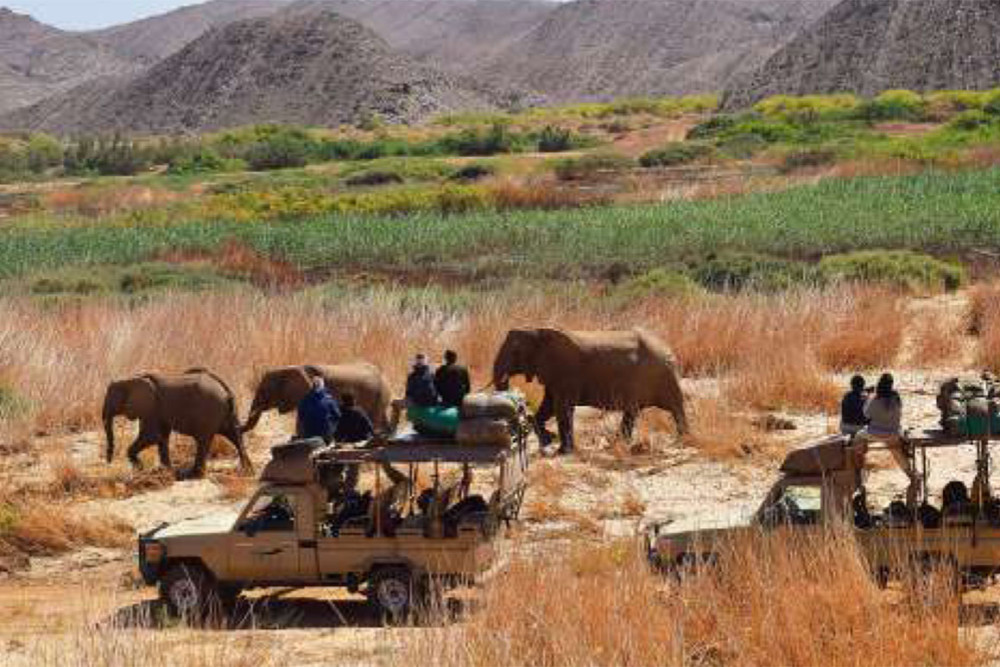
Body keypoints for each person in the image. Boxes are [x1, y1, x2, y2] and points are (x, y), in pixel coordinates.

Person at [297, 377, 341, 444]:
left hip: (309, 433)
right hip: (325, 433)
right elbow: (337, 415)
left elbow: (300, 416)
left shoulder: (304, 400)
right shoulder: (329, 400)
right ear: (322, 386)